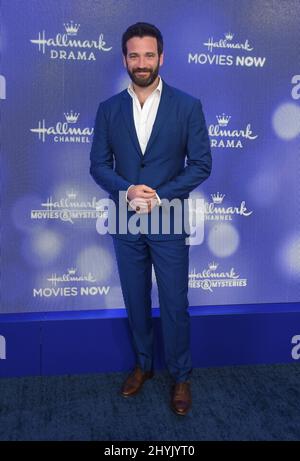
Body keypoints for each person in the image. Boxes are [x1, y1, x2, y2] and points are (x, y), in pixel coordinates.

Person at [90, 22, 212, 416]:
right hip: (126, 218)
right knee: (136, 299)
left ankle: (181, 376)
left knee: (175, 303)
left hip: (169, 216)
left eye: (148, 55)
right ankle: (143, 365)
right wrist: (127, 189)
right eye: (133, 55)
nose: (141, 63)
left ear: (162, 57)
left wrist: (160, 194)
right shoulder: (108, 109)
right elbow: (97, 165)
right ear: (124, 58)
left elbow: (201, 165)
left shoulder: (187, 105)